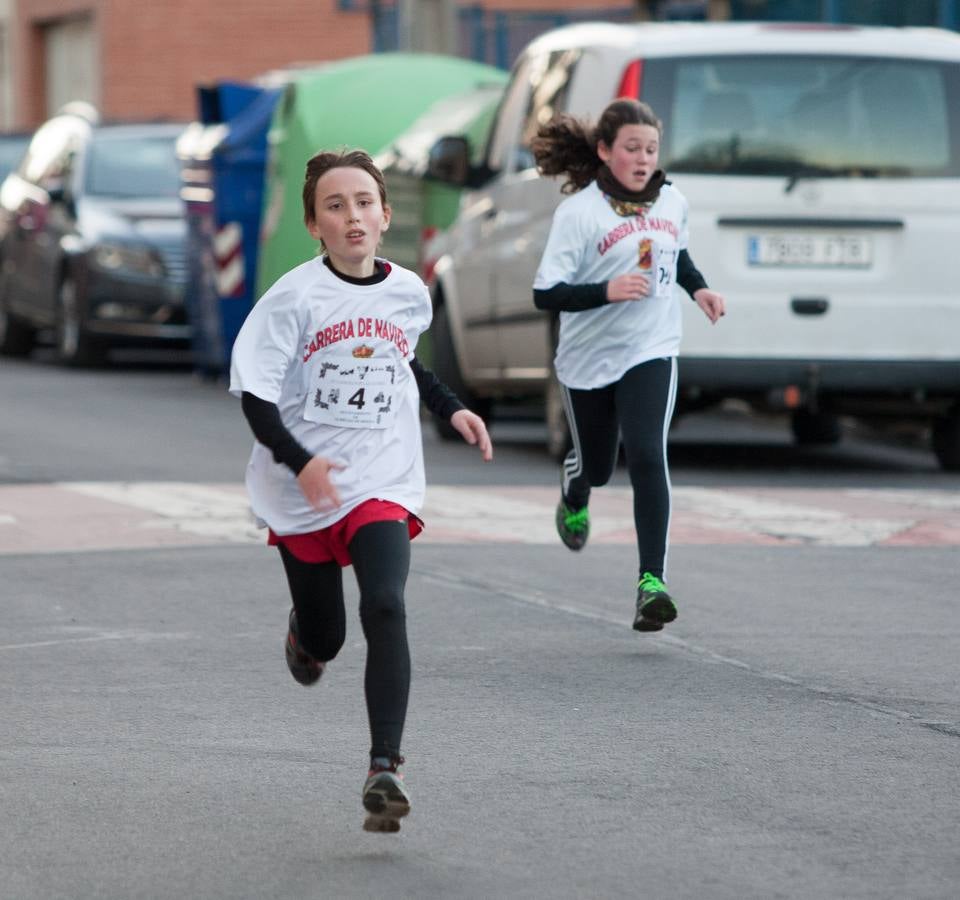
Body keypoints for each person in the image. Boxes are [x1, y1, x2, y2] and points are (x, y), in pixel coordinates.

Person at [229, 148, 492, 833]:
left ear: (385, 214)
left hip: (381, 477)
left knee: (385, 603)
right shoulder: (293, 297)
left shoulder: (407, 289)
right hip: (302, 489)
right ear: (314, 223)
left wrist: (452, 408)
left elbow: (404, 362)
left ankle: (385, 767)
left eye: (365, 203)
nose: (353, 216)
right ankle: (305, 640)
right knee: (330, 635)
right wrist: (300, 459)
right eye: (336, 206)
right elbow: (255, 397)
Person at [531, 98, 725, 633]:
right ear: (604, 151)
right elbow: (546, 294)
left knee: (645, 452)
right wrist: (606, 291)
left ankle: (651, 583)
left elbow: (676, 256)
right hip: (587, 359)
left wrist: (700, 288)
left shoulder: (672, 202)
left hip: (651, 347)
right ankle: (574, 488)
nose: (643, 159)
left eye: (651, 149)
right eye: (631, 149)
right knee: (597, 466)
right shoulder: (579, 213)